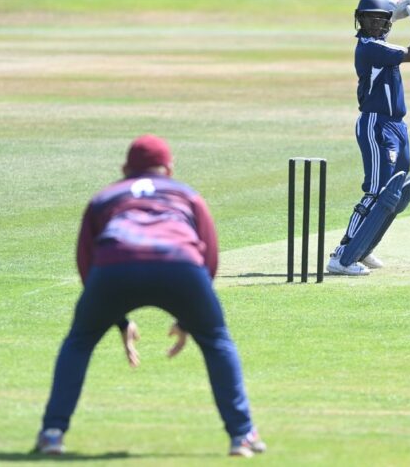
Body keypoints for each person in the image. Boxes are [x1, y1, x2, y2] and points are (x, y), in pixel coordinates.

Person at [34, 135, 267, 457]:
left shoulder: (104, 197)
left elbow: (86, 262)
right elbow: (209, 257)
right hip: (180, 267)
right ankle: (242, 435)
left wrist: (116, 318)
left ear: (125, 168)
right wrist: (190, 316)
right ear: (168, 169)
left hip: (114, 268)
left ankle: (52, 433)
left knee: (80, 341)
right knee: (216, 340)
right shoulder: (187, 194)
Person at [326, 0, 410, 275]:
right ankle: (343, 254)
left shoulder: (380, 44)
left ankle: (364, 247)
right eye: (369, 20)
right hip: (376, 124)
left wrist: (400, 9)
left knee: (393, 191)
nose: (374, 25)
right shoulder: (370, 48)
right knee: (376, 191)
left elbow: (387, 18)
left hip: (396, 125)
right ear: (359, 21)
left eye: (380, 20)